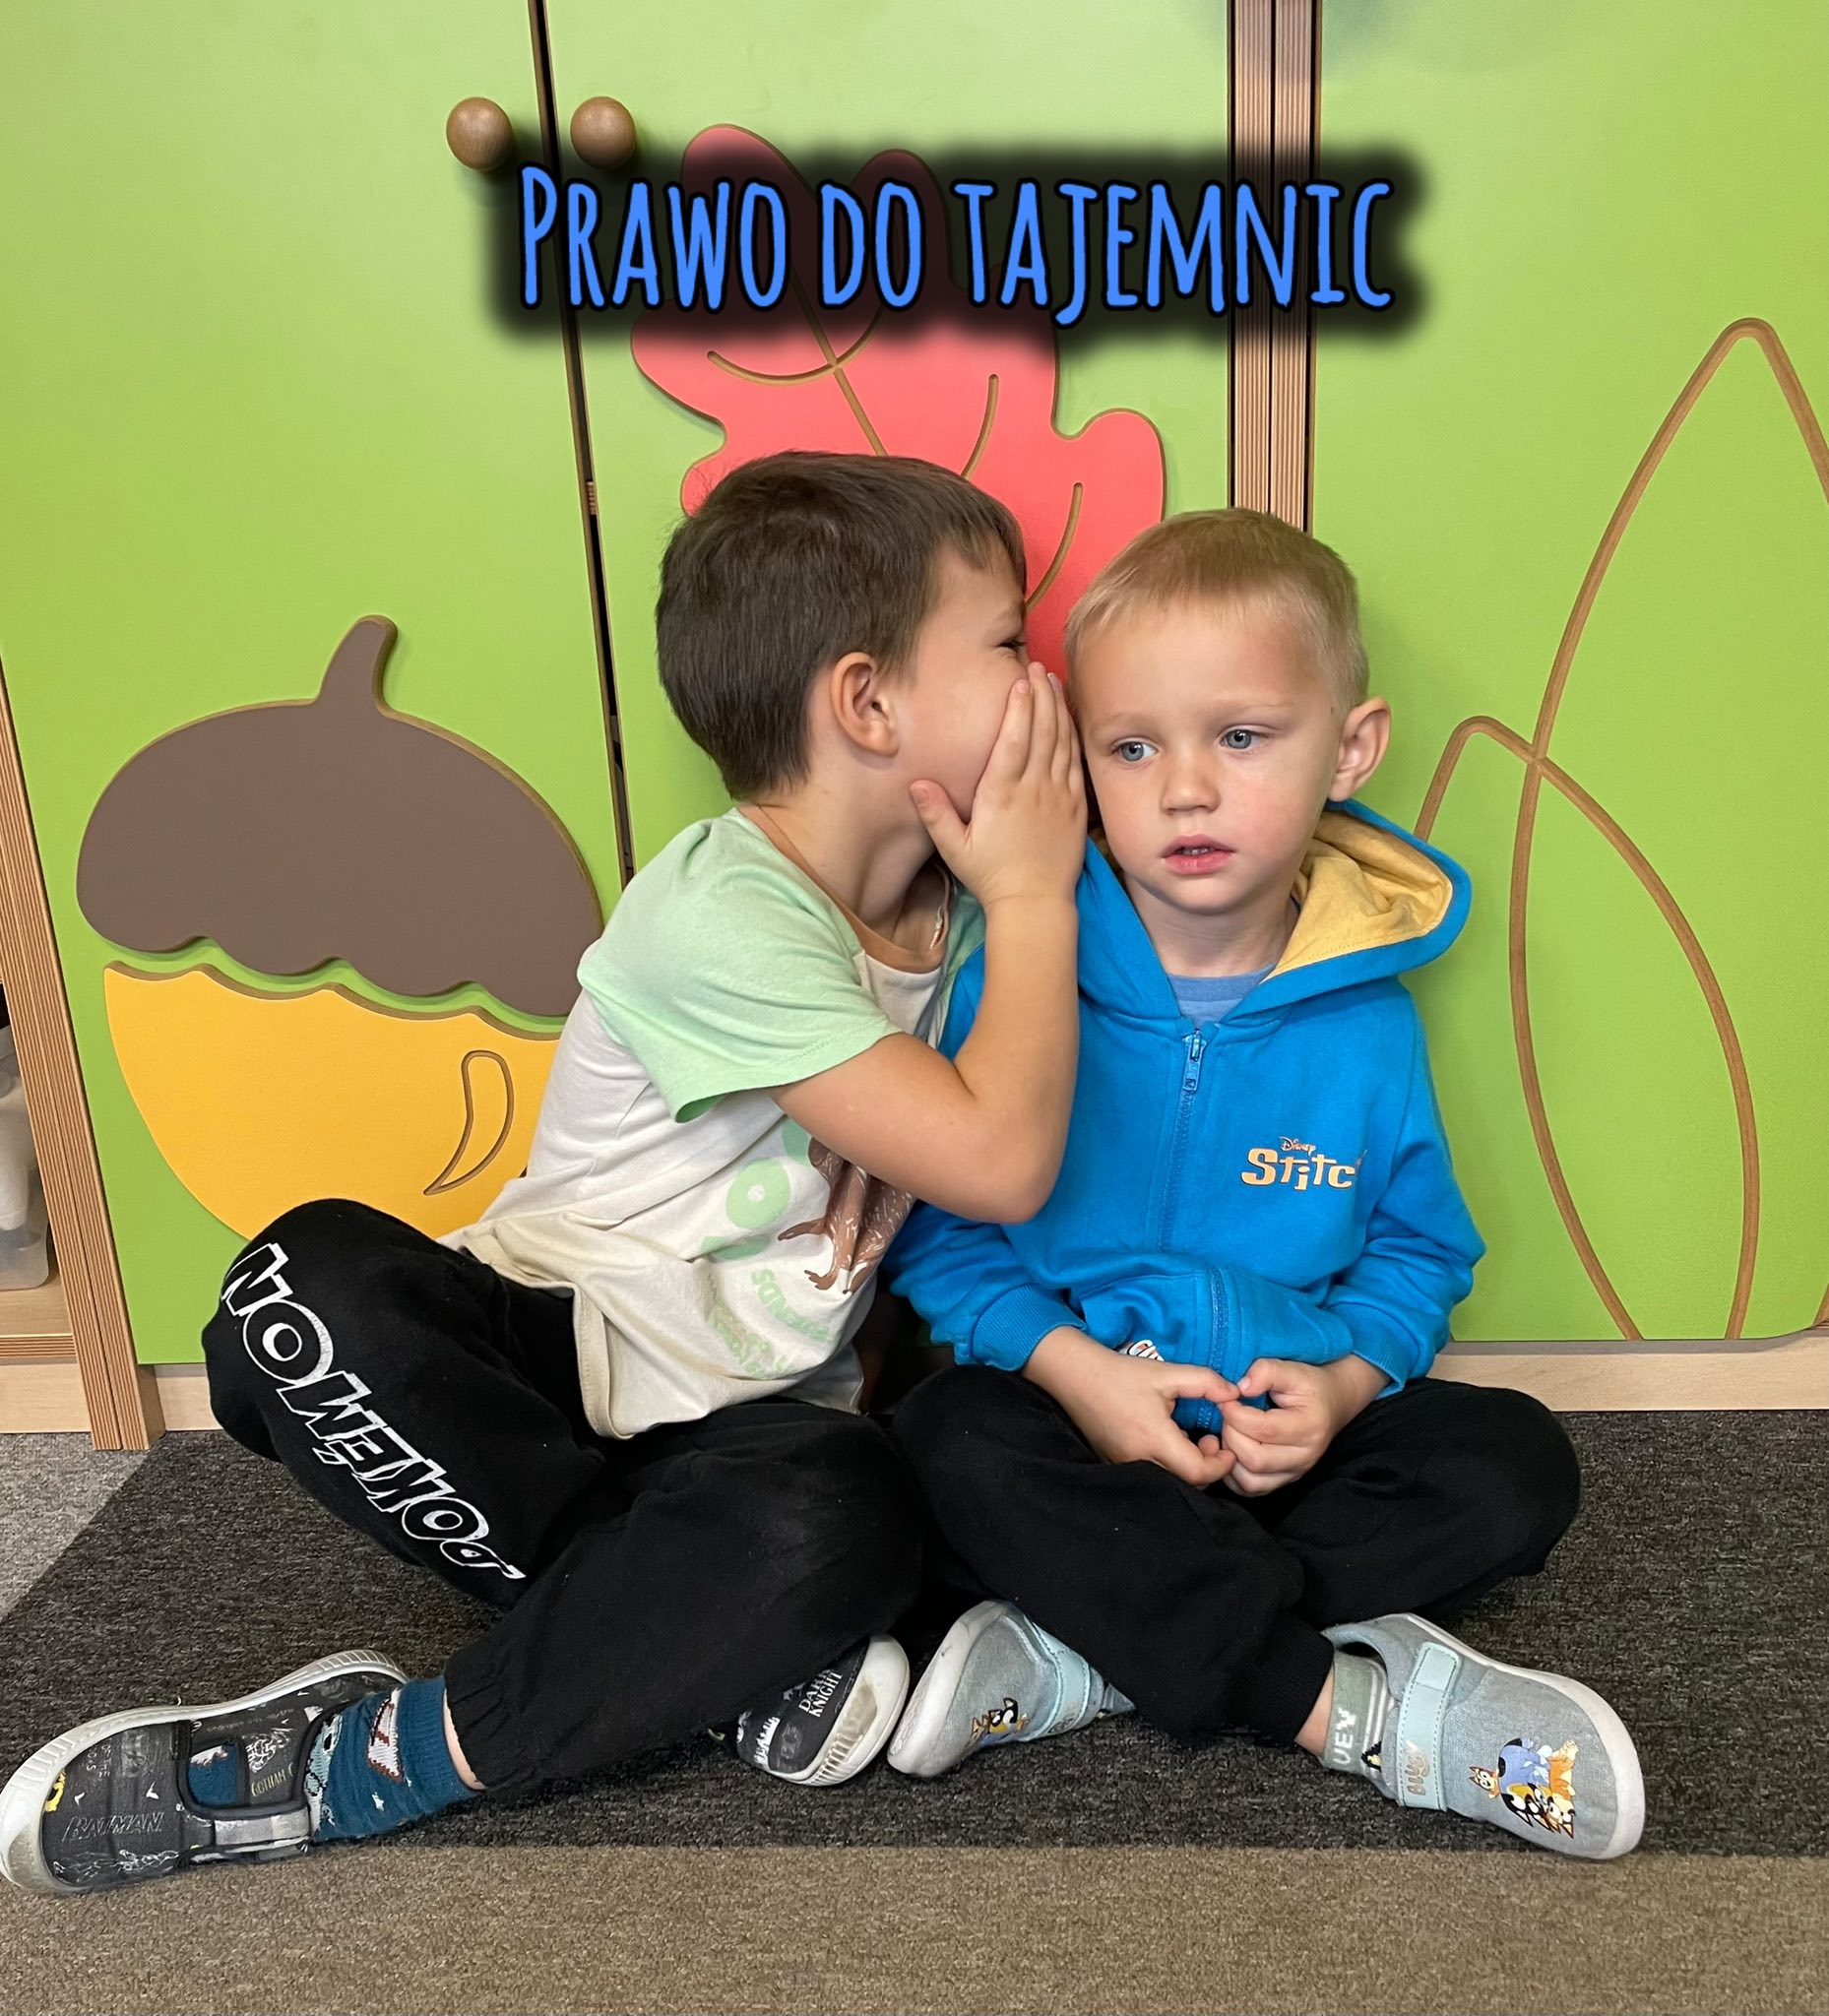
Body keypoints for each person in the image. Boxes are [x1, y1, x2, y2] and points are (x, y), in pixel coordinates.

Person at [0, 452, 1087, 1897]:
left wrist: (1017, 901)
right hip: (549, 1354)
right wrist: (1034, 890)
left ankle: (412, 1742)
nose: (1045, 678)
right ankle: (621, 1658)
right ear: (867, 704)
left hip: (742, 1427)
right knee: (294, 1295)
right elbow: (1000, 1160)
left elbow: (1008, 1147)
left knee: (850, 1519)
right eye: (1010, 641)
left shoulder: (970, 918)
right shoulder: (724, 908)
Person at [881, 508, 1645, 1859]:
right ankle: (1323, 1696)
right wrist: (1076, 1373)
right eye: (1132, 748)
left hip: (1277, 1442)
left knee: (1515, 1467)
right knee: (943, 1442)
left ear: (1349, 749)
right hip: (1076, 1423)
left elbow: (1418, 1256)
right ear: (1081, 767)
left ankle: (1096, 1647)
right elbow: (939, 1238)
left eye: (1240, 737)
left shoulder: (1369, 1025)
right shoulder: (1028, 970)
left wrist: (1342, 1388)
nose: (1185, 789)